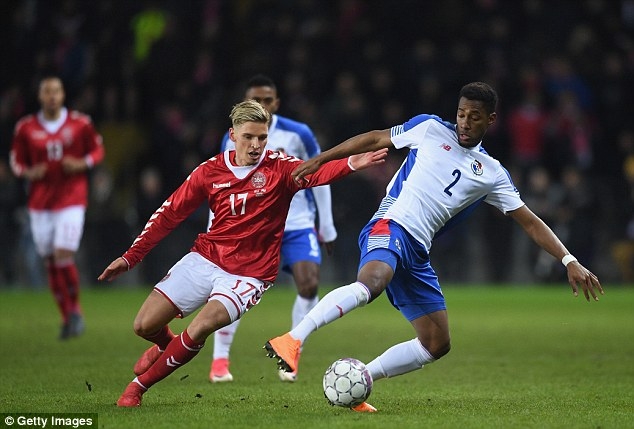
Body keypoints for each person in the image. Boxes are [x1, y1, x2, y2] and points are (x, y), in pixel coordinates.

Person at [264, 82, 604, 413]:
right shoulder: (429, 128)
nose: (465, 123)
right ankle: (294, 338)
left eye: (474, 117)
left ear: (491, 120)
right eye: (461, 114)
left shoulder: (492, 173)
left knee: (436, 343)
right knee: (372, 283)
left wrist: (568, 259)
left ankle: (360, 379)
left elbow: (529, 221)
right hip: (391, 224)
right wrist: (321, 159)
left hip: (417, 250)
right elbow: (376, 137)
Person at [97, 100, 387, 407]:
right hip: (206, 257)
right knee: (144, 325)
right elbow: (169, 214)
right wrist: (130, 257)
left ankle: (137, 388)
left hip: (249, 274)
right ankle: (166, 347)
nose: (256, 145)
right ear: (233, 135)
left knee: (201, 326)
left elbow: (315, 172)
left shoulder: (279, 168)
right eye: (248, 137)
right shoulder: (209, 171)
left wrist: (351, 164)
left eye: (262, 137)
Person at [209, 74, 337, 383]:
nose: (262, 105)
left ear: (276, 103)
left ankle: (291, 351)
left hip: (297, 223)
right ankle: (220, 360)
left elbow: (320, 173)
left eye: (267, 100)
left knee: (309, 284)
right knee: (234, 290)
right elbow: (220, 183)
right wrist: (216, 225)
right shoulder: (234, 136)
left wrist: (327, 224)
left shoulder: (298, 133)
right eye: (256, 100)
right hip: (252, 226)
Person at [10, 76, 105, 339]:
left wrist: (82, 163)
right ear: (40, 96)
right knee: (50, 260)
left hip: (72, 199)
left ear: (62, 95)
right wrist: (28, 172)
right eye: (47, 92)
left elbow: (97, 151)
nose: (52, 96)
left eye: (56, 91)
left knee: (63, 253)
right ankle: (66, 316)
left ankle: (75, 311)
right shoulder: (26, 127)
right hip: (41, 203)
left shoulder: (80, 123)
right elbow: (16, 161)